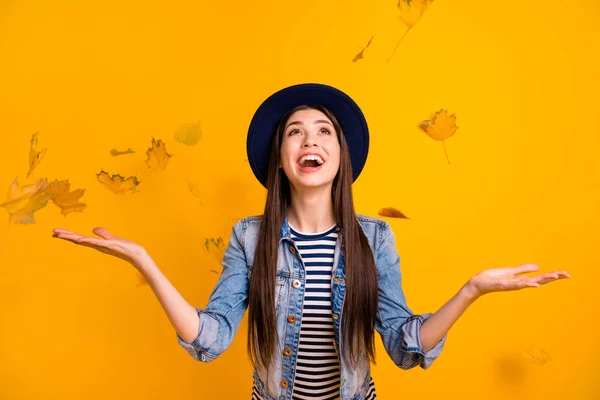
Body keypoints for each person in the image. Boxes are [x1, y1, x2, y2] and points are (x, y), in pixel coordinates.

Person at [52, 83, 570, 400]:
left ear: (340, 154)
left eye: (324, 131)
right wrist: (145, 261)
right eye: (295, 132)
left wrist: (470, 291)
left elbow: (404, 345)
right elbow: (210, 339)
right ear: (280, 157)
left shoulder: (375, 237)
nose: (310, 141)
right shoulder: (250, 237)